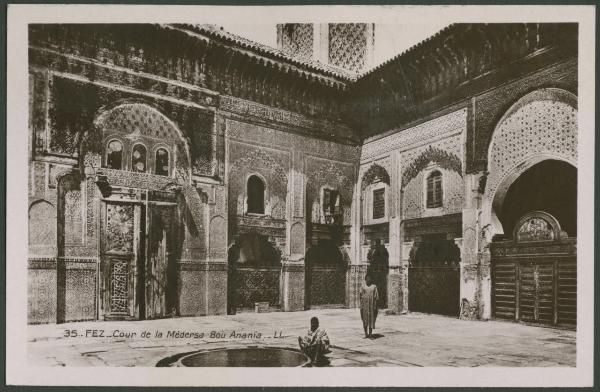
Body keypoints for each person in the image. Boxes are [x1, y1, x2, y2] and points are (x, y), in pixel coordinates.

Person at [359, 274, 379, 338]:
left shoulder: (374, 287)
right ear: (365, 279)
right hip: (364, 306)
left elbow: (376, 297)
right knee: (365, 320)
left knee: (371, 320)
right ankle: (366, 334)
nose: (368, 280)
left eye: (369, 278)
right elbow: (360, 296)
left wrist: (375, 306)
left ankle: (370, 334)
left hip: (371, 306)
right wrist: (361, 305)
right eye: (367, 278)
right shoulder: (363, 287)